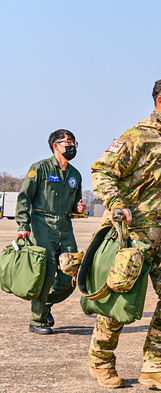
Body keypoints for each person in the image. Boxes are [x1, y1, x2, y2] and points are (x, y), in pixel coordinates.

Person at [88, 75, 161, 390]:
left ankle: (154, 368)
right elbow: (102, 170)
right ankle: (101, 362)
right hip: (135, 233)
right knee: (121, 301)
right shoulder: (138, 136)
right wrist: (117, 203)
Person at [15, 129, 85, 335]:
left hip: (65, 225)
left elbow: (75, 203)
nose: (72, 146)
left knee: (71, 272)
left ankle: (44, 304)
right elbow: (24, 198)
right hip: (42, 223)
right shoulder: (40, 169)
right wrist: (23, 225)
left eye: (73, 142)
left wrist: (78, 209)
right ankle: (37, 319)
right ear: (56, 145)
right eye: (68, 142)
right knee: (46, 272)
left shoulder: (75, 174)